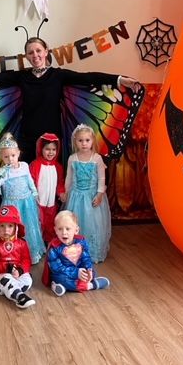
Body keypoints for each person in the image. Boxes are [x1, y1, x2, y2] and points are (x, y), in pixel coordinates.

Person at [0, 36, 140, 162]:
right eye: (30, 52)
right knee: (26, 176)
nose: (35, 55)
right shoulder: (22, 76)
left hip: (52, 137)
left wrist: (120, 79)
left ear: (46, 52)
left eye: (38, 51)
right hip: (27, 136)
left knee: (51, 179)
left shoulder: (58, 75)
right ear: (27, 56)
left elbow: (88, 78)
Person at [0, 133, 45, 264]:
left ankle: (31, 252)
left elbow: (29, 180)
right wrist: (1, 176)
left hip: (27, 202)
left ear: (18, 153)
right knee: (12, 228)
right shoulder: (3, 171)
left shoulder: (24, 166)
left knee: (29, 226)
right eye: (6, 157)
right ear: (1, 157)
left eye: (13, 155)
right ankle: (13, 253)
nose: (10, 159)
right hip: (11, 204)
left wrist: (34, 193)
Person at [61, 124, 111, 263]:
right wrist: (66, 192)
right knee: (76, 221)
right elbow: (69, 178)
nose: (84, 143)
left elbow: (101, 178)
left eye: (87, 140)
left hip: (92, 197)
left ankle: (93, 251)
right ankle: (74, 251)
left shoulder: (96, 158)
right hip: (76, 197)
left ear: (92, 141)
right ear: (75, 141)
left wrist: (99, 194)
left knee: (94, 223)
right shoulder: (72, 158)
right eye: (80, 140)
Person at [42, 210, 110, 296]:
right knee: (62, 279)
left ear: (76, 230)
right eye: (60, 229)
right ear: (55, 230)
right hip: (63, 273)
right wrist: (76, 273)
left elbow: (86, 258)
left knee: (91, 273)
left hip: (78, 270)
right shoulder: (54, 248)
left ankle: (66, 287)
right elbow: (57, 268)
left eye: (68, 229)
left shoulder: (81, 243)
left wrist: (88, 269)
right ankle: (91, 285)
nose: (64, 232)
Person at [0, 205, 35, 309]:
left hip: (17, 271)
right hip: (0, 272)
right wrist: (5, 268)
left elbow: (26, 260)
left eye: (10, 226)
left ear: (16, 227)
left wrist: (20, 270)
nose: (6, 230)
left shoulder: (22, 243)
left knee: (28, 280)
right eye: (2, 226)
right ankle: (20, 297)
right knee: (6, 279)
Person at [29, 133, 66, 244]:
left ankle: (49, 243)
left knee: (50, 223)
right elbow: (31, 182)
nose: (51, 152)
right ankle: (37, 244)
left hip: (51, 203)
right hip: (38, 202)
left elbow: (60, 183)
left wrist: (61, 193)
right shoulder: (35, 165)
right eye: (47, 149)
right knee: (38, 222)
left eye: (54, 149)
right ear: (41, 149)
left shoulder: (58, 167)